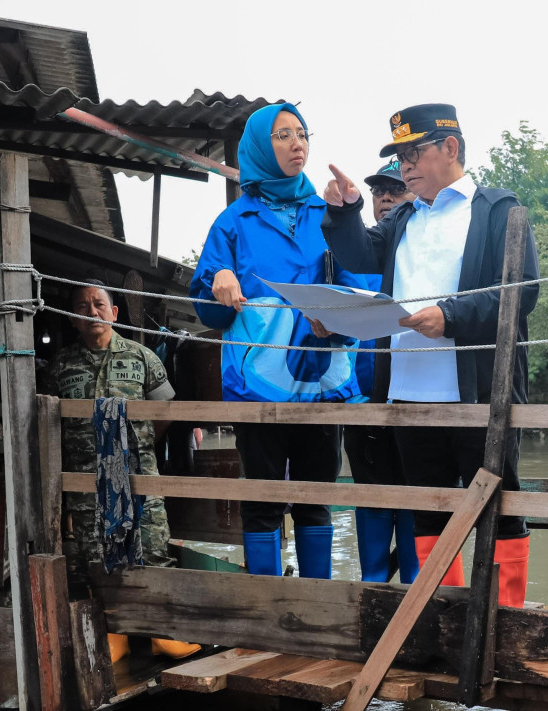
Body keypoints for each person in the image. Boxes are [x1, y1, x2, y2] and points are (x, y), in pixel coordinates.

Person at [321, 103, 540, 607]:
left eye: (414, 152)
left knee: (498, 504)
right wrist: (345, 210)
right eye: (400, 157)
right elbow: (357, 256)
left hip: (479, 391)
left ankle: (506, 617)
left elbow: (521, 292)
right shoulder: (403, 218)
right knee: (427, 509)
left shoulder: (499, 211)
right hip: (407, 393)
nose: (406, 167)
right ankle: (442, 614)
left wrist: (451, 315)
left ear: (451, 148)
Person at [190, 103, 364, 582]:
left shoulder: (327, 214)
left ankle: (317, 601)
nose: (297, 143)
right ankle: (265, 605)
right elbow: (206, 310)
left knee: (315, 503)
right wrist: (218, 279)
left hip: (321, 384)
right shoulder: (233, 223)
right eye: (283, 135)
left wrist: (340, 321)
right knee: (263, 503)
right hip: (257, 389)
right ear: (259, 148)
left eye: (302, 133)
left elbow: (361, 284)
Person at [49, 279, 199, 660]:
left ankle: (161, 633)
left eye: (99, 304)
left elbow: (164, 414)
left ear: (114, 312)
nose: (92, 311)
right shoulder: (61, 366)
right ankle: (114, 634)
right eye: (82, 306)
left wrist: (137, 444)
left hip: (139, 473)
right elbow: (49, 422)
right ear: (72, 318)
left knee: (152, 548)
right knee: (95, 557)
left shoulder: (142, 357)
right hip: (86, 479)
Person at [346, 160, 419, 584]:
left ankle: (414, 588)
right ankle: (373, 589)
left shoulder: (420, 251)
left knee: (414, 496)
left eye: (395, 189)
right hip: (362, 400)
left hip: (415, 397)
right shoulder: (351, 254)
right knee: (371, 498)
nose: (385, 198)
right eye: (378, 191)